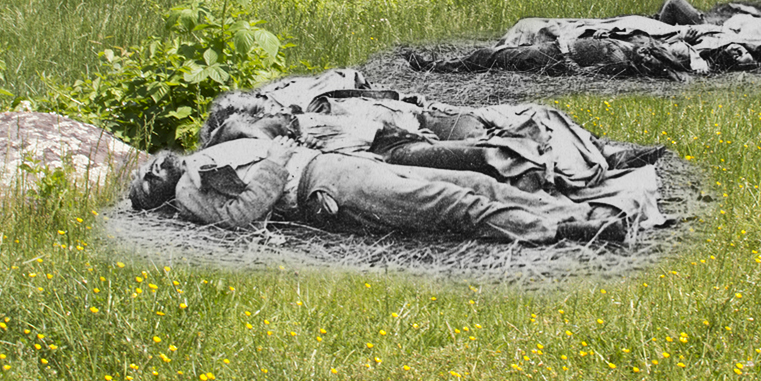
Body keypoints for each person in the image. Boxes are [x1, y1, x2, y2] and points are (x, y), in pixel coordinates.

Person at [129, 136, 634, 243]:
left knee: (471, 179)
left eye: (148, 167)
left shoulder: (198, 159)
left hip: (337, 165)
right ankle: (566, 228)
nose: (154, 169)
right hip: (324, 184)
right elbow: (243, 214)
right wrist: (279, 158)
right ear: (160, 197)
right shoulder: (188, 192)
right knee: (450, 204)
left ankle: (568, 208)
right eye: (148, 181)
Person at [406, 0, 761, 78]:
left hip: (575, 51)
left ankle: (440, 66)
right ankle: (444, 64)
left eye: (739, 54)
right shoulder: (699, 38)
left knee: (495, 58)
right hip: (636, 32)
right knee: (497, 57)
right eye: (741, 52)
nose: (742, 53)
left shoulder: (690, 58)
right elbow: (674, 10)